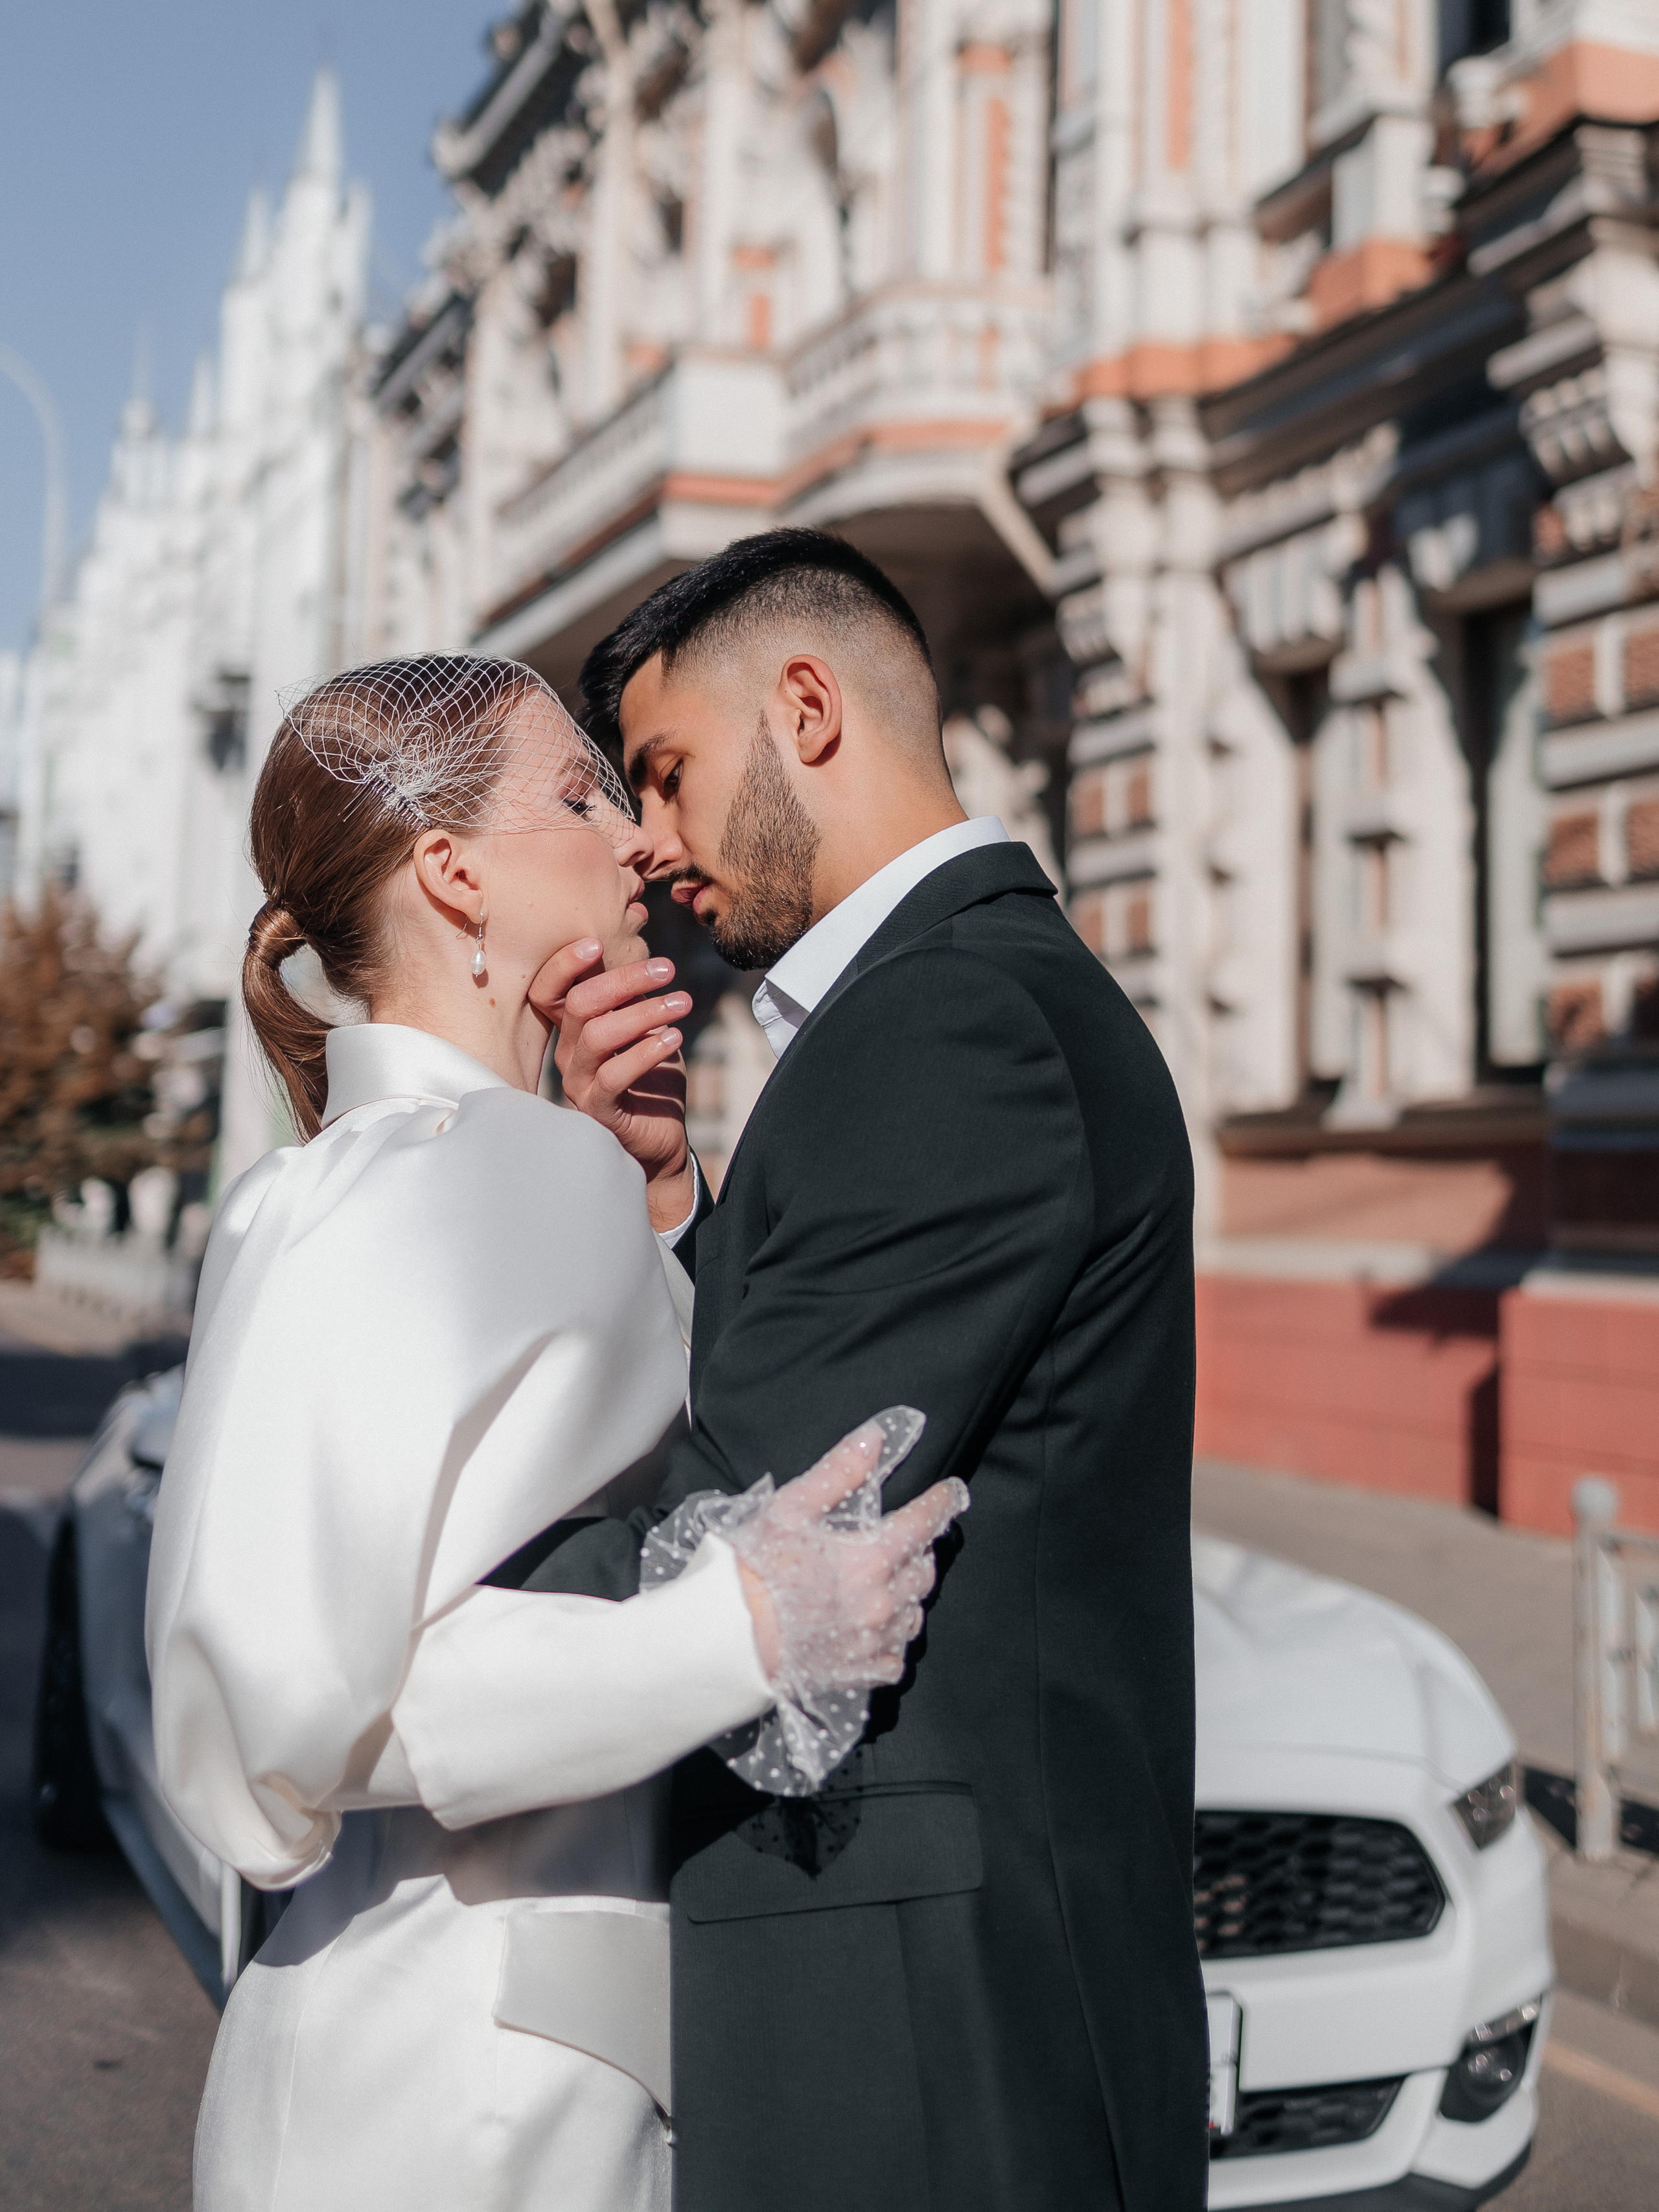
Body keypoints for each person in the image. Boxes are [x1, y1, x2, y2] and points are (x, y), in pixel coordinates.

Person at [144, 654, 965, 2212]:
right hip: (435, 2103)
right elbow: (267, 1734)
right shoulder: (391, 1184)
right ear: (451, 874)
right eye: (581, 795)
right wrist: (731, 1636)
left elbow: (603, 1497)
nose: (637, 840)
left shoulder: (517, 1169)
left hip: (535, 2078)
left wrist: (654, 1196)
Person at [529, 529, 1209, 2212]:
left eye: (669, 773)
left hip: (929, 2042)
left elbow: (758, 1521)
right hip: (938, 2013)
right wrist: (677, 1212)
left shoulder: (950, 1018)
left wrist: (416, 1583)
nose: (654, 845)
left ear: (809, 707)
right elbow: (816, 1386)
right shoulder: (949, 1001)